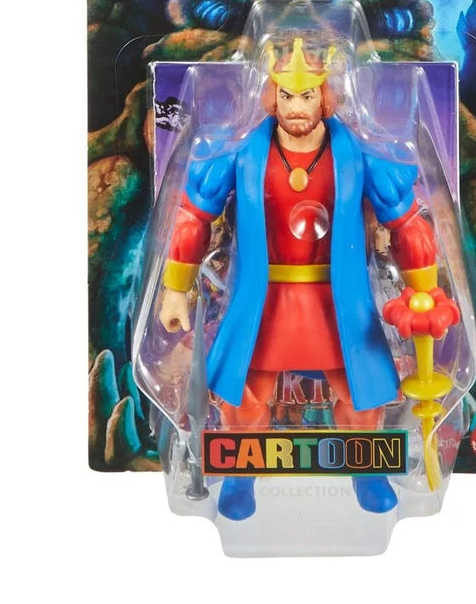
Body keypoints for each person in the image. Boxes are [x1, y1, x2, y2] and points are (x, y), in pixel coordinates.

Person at [159, 38, 446, 520]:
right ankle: (241, 475)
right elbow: (194, 216)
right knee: (245, 394)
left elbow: (407, 221)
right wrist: (175, 288)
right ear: (272, 95)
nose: (296, 107)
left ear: (324, 97)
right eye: (287, 95)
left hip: (336, 302)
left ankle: (366, 471)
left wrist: (424, 291)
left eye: (307, 95)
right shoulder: (242, 155)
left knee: (360, 392)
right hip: (263, 300)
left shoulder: (356, 155)